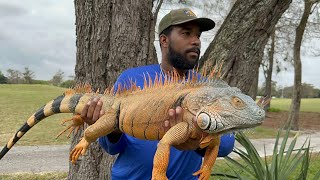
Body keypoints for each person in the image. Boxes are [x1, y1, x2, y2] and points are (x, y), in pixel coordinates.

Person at [81, 8, 235, 180]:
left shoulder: (207, 89)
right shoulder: (131, 79)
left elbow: (226, 145)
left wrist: (196, 139)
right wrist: (108, 127)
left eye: (198, 35)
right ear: (164, 40)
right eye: (186, 33)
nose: (196, 41)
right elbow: (111, 148)